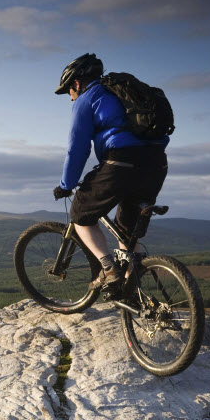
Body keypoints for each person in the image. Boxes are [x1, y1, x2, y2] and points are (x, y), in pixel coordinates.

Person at [53, 53, 170, 291]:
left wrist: (67, 184)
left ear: (76, 83)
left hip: (121, 163)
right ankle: (131, 289)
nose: (71, 98)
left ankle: (108, 269)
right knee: (127, 231)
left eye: (69, 92)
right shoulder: (122, 93)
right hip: (156, 164)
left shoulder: (88, 98)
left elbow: (77, 148)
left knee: (80, 214)